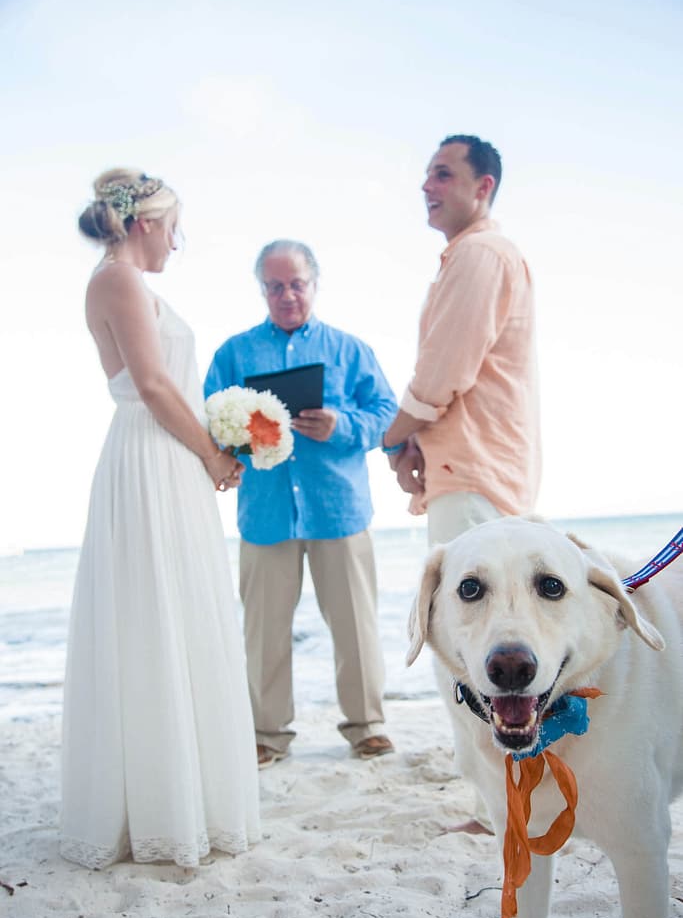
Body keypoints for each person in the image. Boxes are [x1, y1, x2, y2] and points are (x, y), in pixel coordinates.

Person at [61, 169, 261, 869]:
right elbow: (149, 386)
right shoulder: (116, 278)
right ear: (144, 222)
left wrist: (222, 440)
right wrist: (211, 453)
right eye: (175, 224)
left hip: (168, 456)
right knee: (154, 619)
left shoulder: (136, 284)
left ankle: (192, 794)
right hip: (149, 458)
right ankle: (155, 806)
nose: (179, 239)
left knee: (184, 615)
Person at [383, 135, 540, 831]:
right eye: (425, 174)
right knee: (479, 641)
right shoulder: (472, 255)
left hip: (475, 474)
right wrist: (413, 440)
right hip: (470, 467)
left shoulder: (480, 254)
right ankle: (497, 799)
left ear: (482, 187)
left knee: (472, 645)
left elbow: (443, 370)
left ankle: (500, 807)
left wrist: (392, 436)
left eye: (442, 174)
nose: (426, 184)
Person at [204, 240, 397, 768]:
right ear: (261, 289)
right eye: (275, 286)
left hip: (338, 509)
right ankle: (267, 734)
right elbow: (210, 422)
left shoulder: (350, 349)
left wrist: (343, 425)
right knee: (264, 631)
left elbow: (386, 413)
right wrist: (238, 439)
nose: (287, 295)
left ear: (314, 283)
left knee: (356, 625)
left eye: (296, 284)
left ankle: (367, 727)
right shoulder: (234, 354)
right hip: (265, 514)